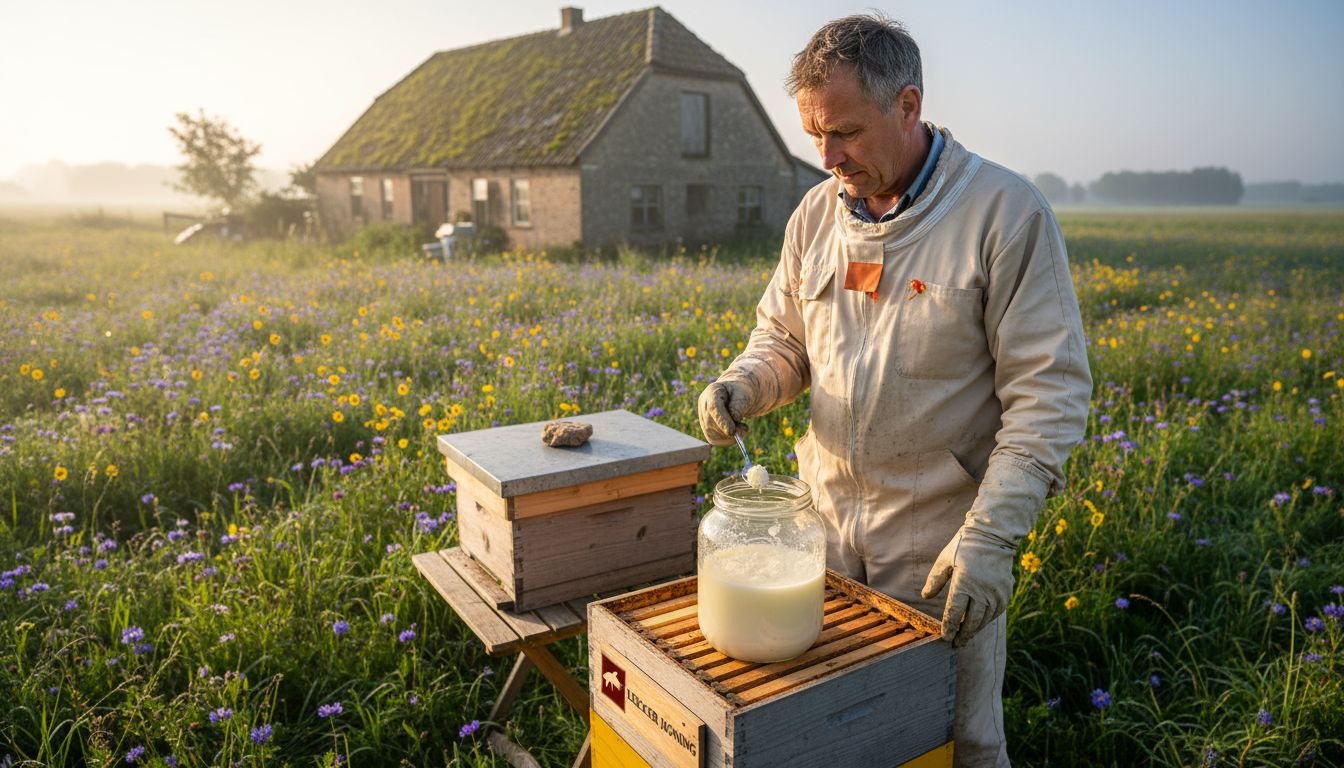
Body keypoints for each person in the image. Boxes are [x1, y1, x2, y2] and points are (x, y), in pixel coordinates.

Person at [697, 13, 1092, 767]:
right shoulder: (816, 215)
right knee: (832, 736)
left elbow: (1049, 398)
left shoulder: (1004, 215)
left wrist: (990, 539)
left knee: (956, 740)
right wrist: (744, 385)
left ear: (907, 107)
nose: (827, 156)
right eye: (814, 134)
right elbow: (785, 340)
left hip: (941, 553)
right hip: (823, 541)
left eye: (844, 132)